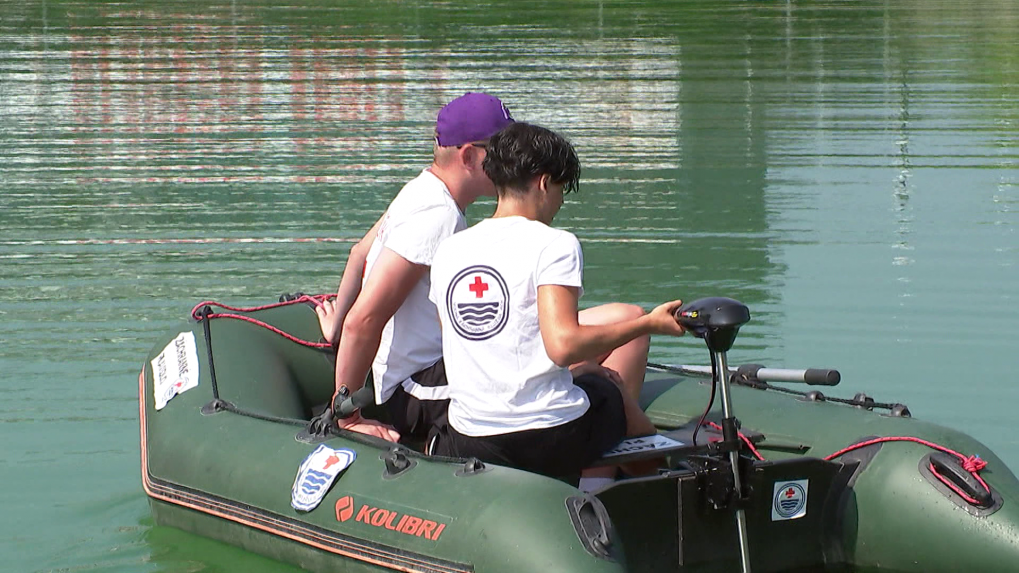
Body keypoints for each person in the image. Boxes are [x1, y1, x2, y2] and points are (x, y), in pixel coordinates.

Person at [428, 122, 687, 487]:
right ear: (545, 182)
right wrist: (647, 325)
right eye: (562, 190)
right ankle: (619, 486)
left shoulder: (450, 249)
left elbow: (459, 339)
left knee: (588, 377)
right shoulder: (554, 244)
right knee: (609, 389)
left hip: (470, 435)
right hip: (545, 439)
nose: (561, 203)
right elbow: (563, 346)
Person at [315, 92, 514, 443]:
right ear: (469, 155)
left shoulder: (423, 188)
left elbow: (358, 254)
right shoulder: (437, 217)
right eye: (503, 149)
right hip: (415, 384)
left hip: (414, 373)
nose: (514, 159)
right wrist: (347, 417)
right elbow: (366, 319)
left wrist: (335, 330)